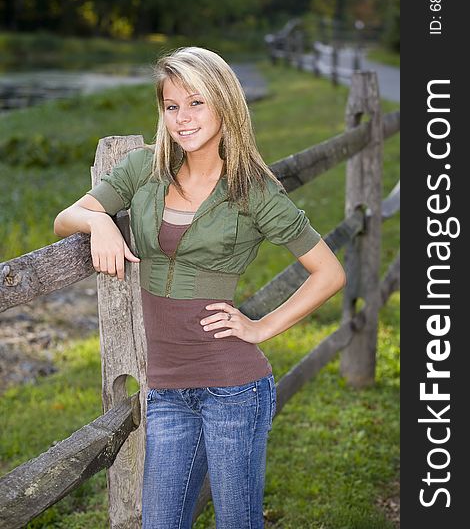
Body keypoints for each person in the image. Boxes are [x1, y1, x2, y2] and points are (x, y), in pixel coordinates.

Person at [54, 46, 346, 529]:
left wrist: (261, 327)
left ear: (224, 104)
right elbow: (66, 217)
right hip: (168, 389)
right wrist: (99, 223)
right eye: (172, 106)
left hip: (232, 389)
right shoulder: (142, 170)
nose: (183, 118)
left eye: (197, 103)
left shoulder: (252, 190)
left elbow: (330, 272)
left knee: (237, 523)